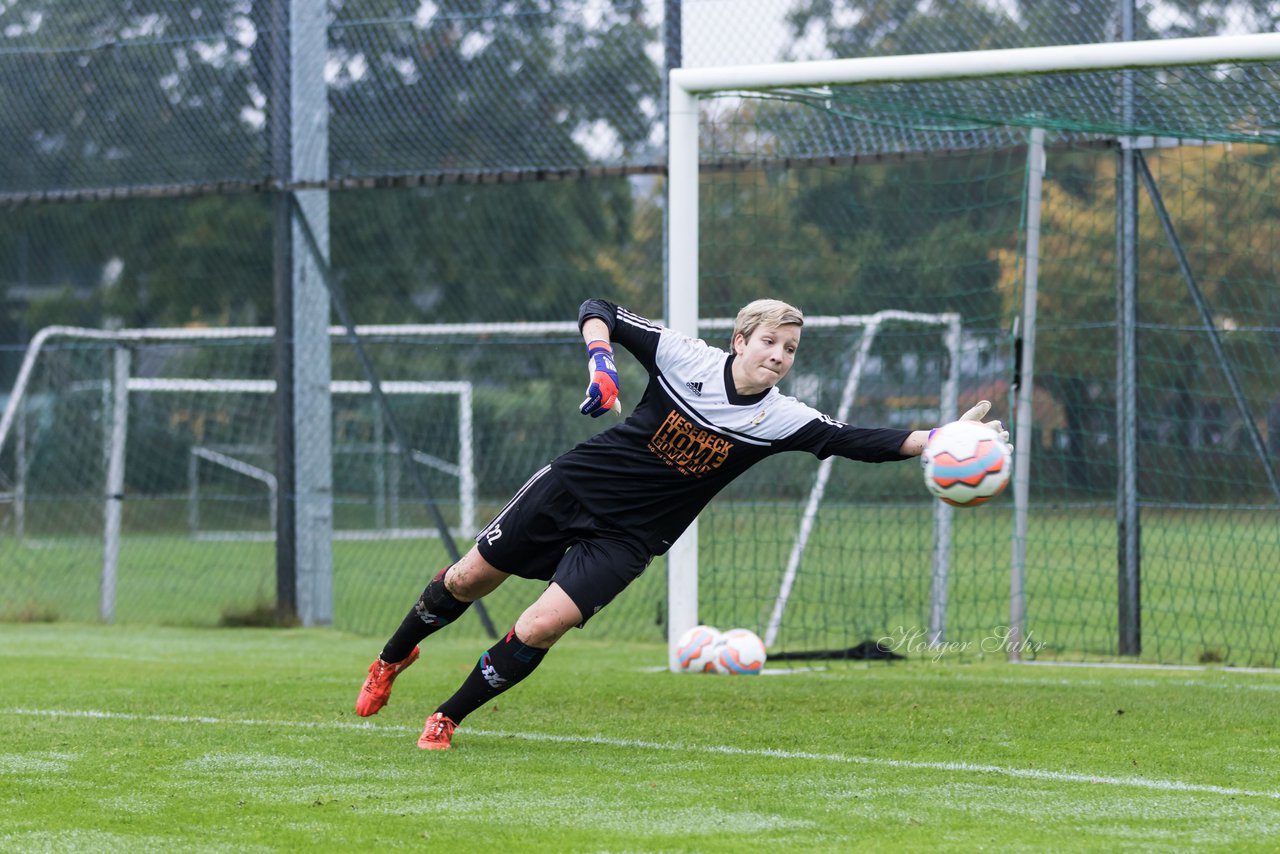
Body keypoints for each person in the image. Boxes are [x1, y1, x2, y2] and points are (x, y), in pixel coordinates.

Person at [354, 298, 1009, 749]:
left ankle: (446, 717)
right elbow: (598, 309)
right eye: (770, 343)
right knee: (468, 579)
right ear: (741, 340)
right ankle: (392, 658)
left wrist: (942, 439)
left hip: (628, 539)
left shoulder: (781, 419)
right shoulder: (684, 358)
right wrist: (602, 364)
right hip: (572, 487)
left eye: (790, 348)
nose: (780, 356)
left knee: (540, 625)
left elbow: (860, 439)